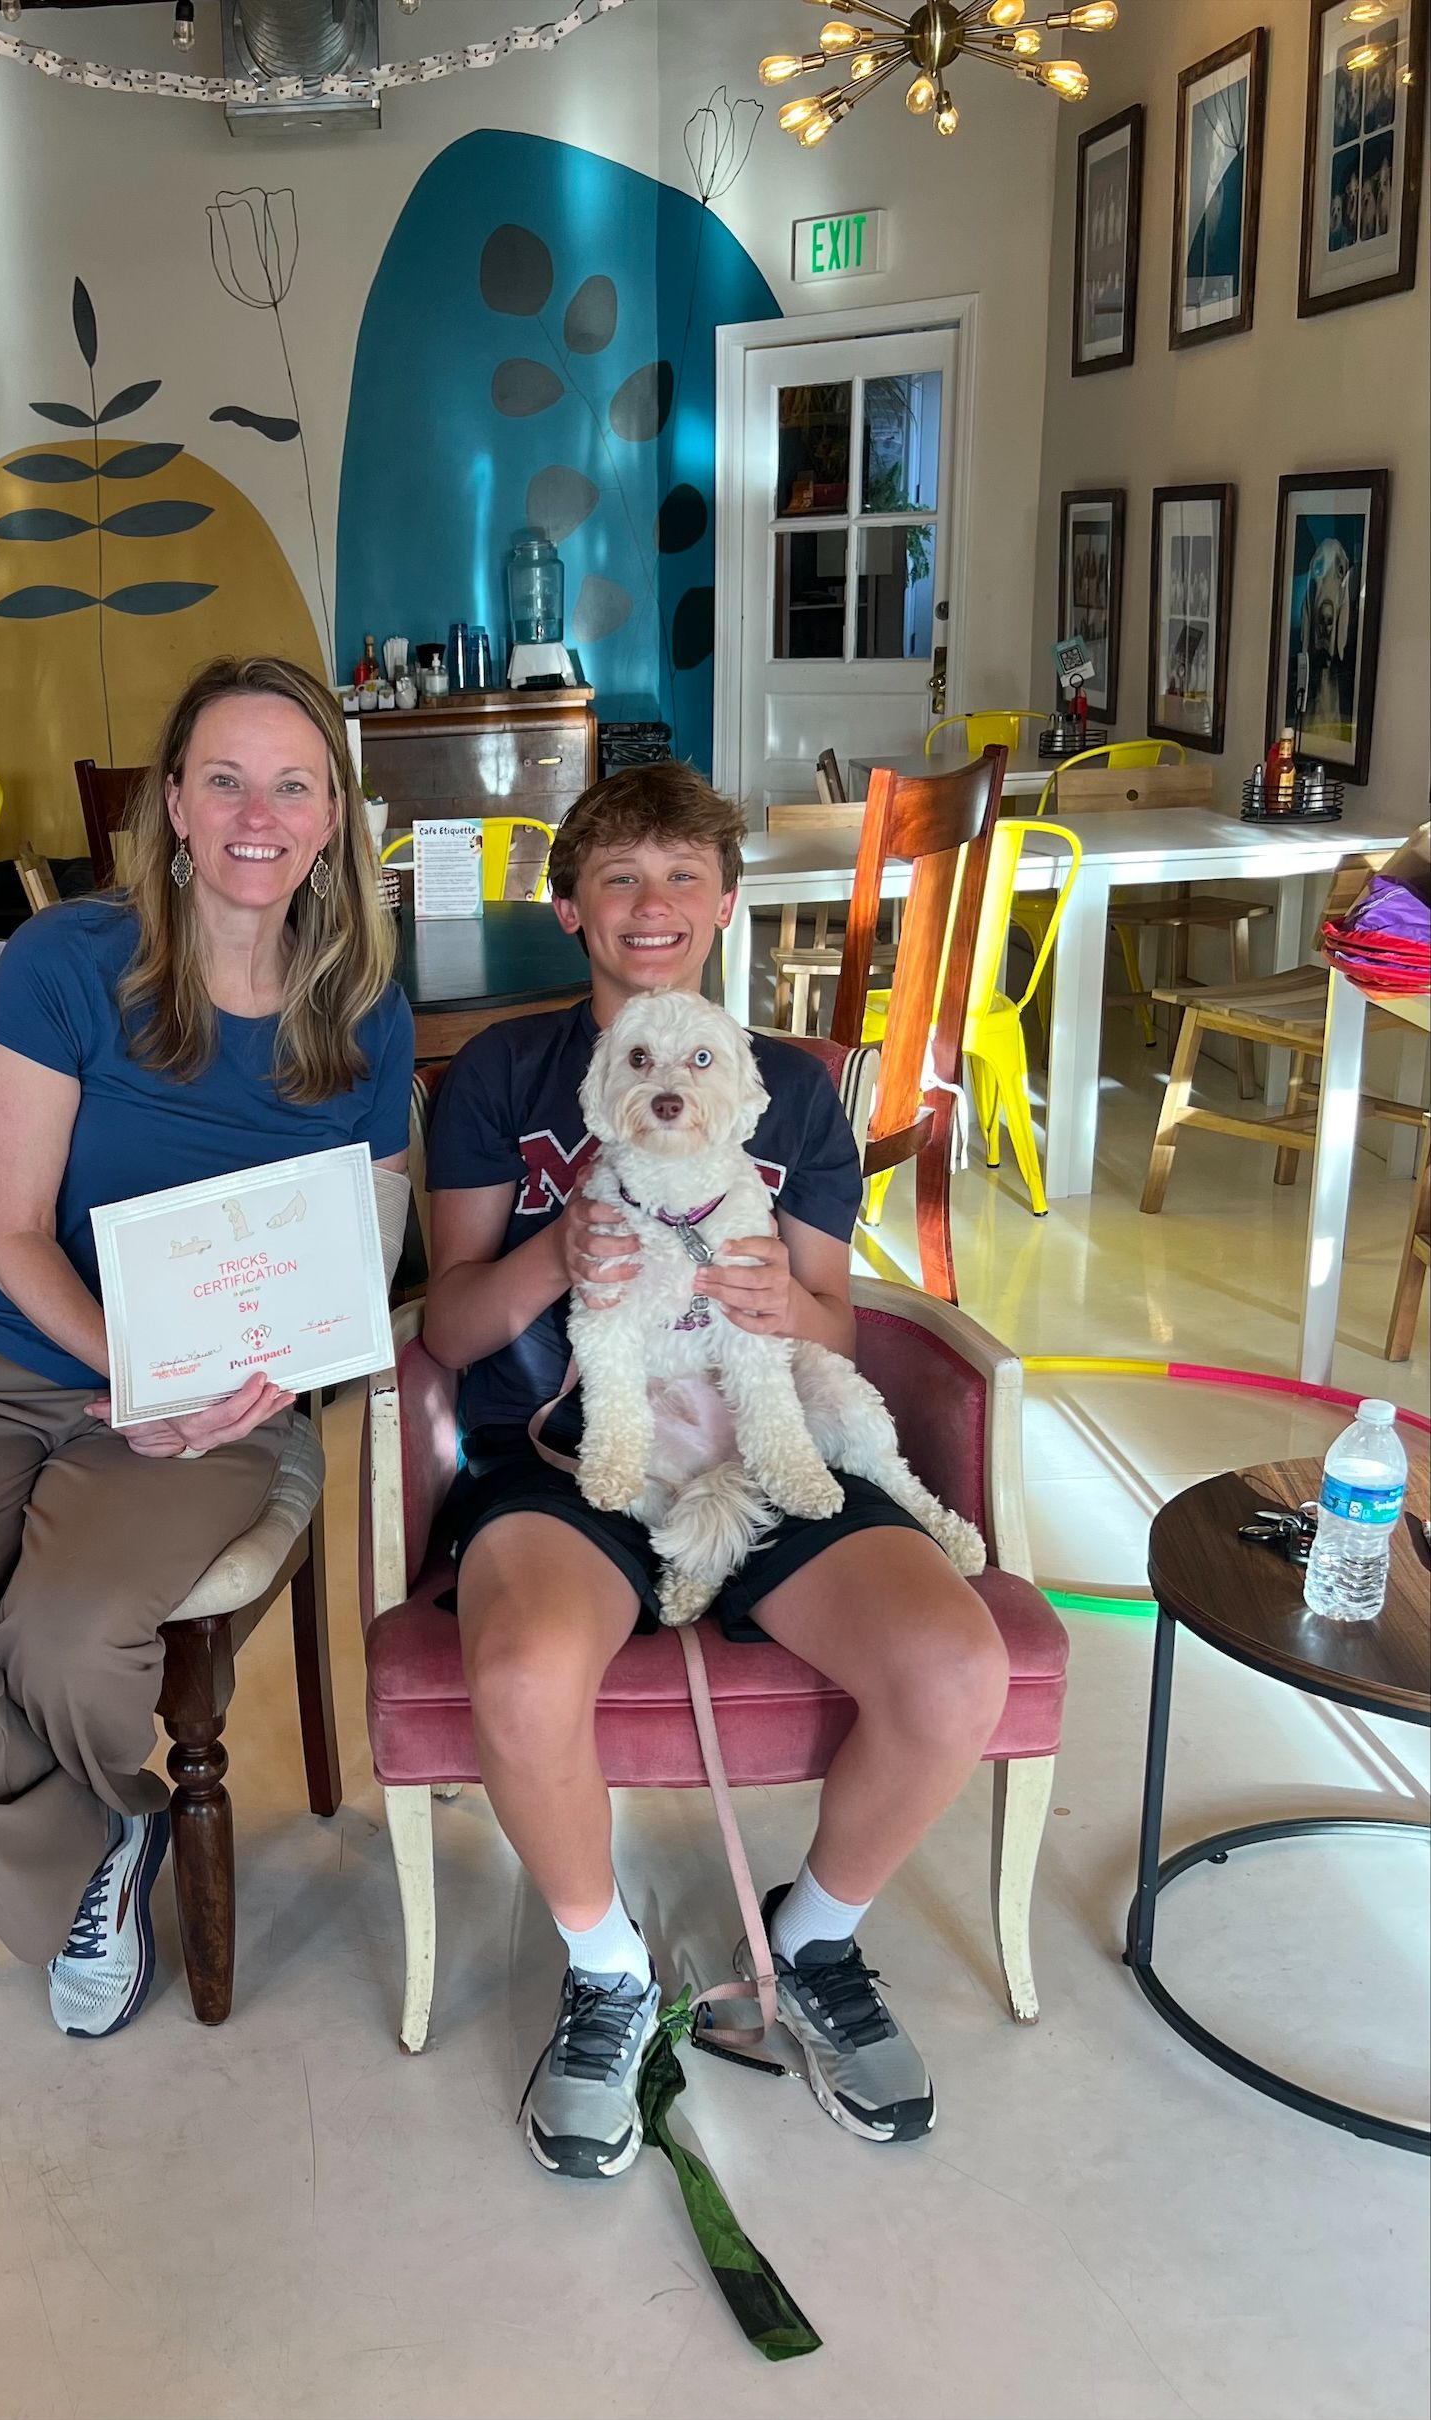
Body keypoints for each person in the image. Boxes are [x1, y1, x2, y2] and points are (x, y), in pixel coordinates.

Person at [422, 763, 1008, 2176]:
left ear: (728, 905)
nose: (652, 906)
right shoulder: (503, 1071)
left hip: (761, 1431)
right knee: (515, 1674)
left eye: (683, 877)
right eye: (619, 877)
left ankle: (807, 1943)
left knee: (957, 1672)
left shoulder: (790, 1089)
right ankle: (607, 1967)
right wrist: (553, 1256)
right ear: (569, 907)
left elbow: (834, 1319)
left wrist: (775, 1311)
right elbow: (445, 1322)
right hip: (565, 1449)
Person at [0, 656, 412, 2039]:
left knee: (73, 1645)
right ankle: (95, 1841)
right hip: (7, 1352)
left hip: (220, 1394)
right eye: (225, 780)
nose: (256, 815)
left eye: (292, 784)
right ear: (173, 806)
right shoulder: (70, 961)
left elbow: (369, 1224)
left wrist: (284, 1354)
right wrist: (133, 1368)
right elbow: (17, 1234)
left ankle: (22, 1826)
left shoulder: (362, 1000)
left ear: (333, 815)